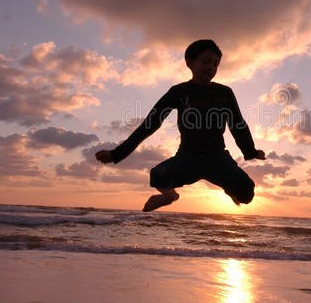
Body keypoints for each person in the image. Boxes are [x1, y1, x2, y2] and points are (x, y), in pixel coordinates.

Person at [95, 39, 265, 212]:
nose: (211, 68)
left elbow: (237, 124)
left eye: (215, 64)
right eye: (205, 62)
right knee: (157, 175)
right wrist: (116, 154)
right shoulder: (178, 92)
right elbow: (150, 124)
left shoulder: (224, 93)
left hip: (218, 158)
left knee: (247, 194)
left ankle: (227, 187)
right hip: (188, 157)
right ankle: (169, 196)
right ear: (190, 63)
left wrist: (250, 151)